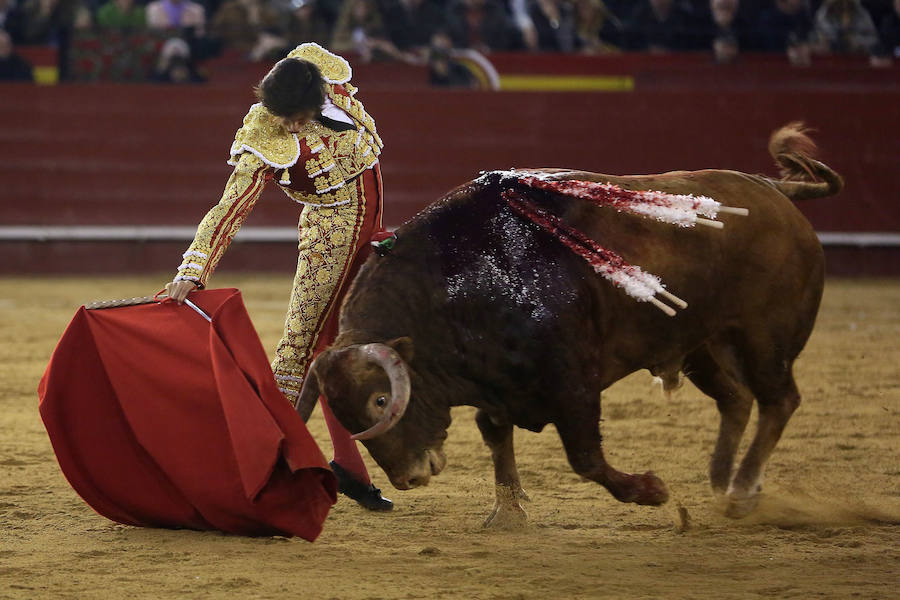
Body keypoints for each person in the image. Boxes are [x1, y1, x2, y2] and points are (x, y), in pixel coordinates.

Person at [163, 43, 392, 511]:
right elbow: (230, 206)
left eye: (296, 117)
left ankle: (348, 466)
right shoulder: (264, 134)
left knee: (339, 348)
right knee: (300, 352)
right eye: (282, 116)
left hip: (369, 234)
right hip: (329, 241)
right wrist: (194, 267)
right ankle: (257, 470)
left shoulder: (332, 84)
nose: (287, 125)